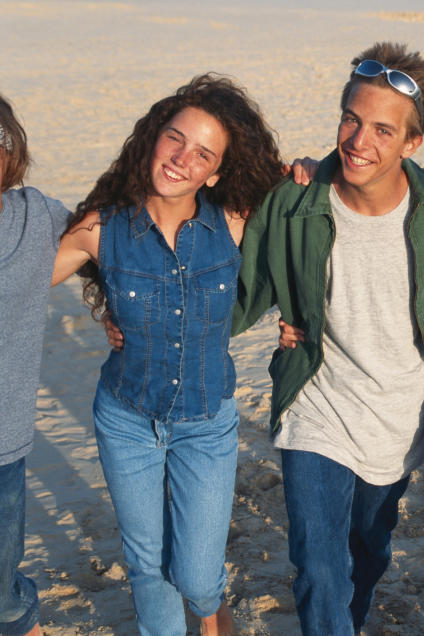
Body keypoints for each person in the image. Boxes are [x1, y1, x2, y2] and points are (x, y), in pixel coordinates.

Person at [229, 42, 424, 635]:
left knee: (370, 551)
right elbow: (237, 297)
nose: (359, 142)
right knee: (319, 565)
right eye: (352, 120)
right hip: (317, 403)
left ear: (412, 143)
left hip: (400, 415)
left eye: (383, 130)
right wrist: (138, 312)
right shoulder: (293, 199)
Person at [53, 74, 285, 636]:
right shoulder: (100, 228)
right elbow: (17, 279)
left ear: (219, 171)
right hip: (126, 419)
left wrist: (298, 319)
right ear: (153, 135)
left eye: (203, 153)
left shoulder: (234, 221)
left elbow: (314, 220)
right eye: (175, 139)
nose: (183, 159)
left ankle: (213, 612)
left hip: (205, 425)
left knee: (199, 578)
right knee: (146, 565)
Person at [0, 95, 71, 636]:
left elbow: (105, 242)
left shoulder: (35, 216)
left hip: (3, 443)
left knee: (2, 592)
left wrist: (116, 310)